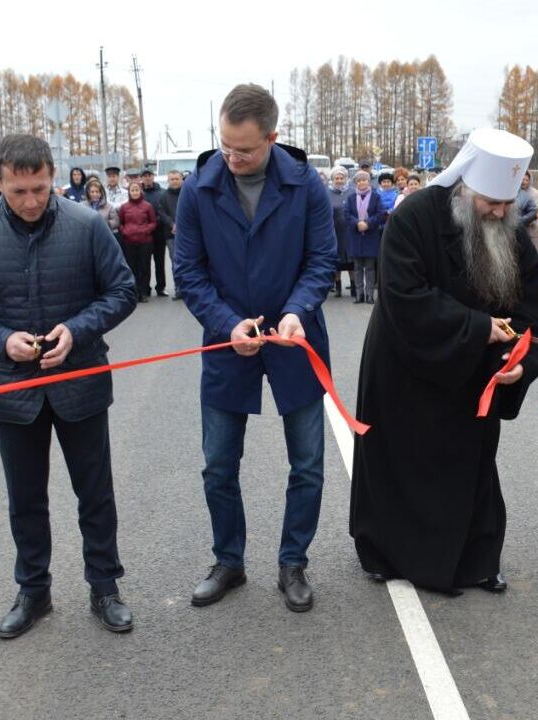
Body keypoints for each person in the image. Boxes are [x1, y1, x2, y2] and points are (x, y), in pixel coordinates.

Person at [0, 133, 137, 638]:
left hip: (81, 381)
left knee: (95, 492)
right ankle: (34, 590)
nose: (30, 202)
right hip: (11, 390)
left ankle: (104, 586)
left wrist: (78, 329)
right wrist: (2, 341)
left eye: (41, 189)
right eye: (18, 191)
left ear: (54, 177)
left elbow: (122, 291)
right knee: (24, 497)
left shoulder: (87, 225)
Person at [351, 127, 538, 594]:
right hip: (404, 367)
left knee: (472, 470)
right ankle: (386, 554)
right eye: (491, 202)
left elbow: (528, 315)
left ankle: (477, 559)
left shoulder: (512, 235)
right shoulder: (414, 218)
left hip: (473, 377)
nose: (500, 212)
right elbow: (405, 296)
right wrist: (479, 328)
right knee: (397, 465)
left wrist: (517, 361)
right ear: (464, 186)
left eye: (507, 204)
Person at [173, 83, 337, 613]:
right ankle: (228, 560)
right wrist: (226, 325)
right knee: (218, 463)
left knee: (307, 462)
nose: (233, 157)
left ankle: (293, 562)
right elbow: (189, 272)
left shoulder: (304, 184)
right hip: (228, 343)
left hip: (294, 339)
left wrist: (296, 311)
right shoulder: (199, 188)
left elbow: (321, 260)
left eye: (244, 149)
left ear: (272, 137)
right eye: (224, 145)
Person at [343, 169, 384, 304]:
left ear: (368, 181)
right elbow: (347, 214)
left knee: (370, 268)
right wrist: (357, 223)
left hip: (371, 236)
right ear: (355, 183)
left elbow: (380, 213)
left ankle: (370, 294)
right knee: (358, 268)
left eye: (364, 179)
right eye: (359, 180)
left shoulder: (376, 197)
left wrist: (367, 223)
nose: (362, 182)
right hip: (355, 236)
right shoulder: (350, 197)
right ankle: (359, 294)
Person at [117, 180, 157, 303]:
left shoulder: (147, 206)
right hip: (129, 242)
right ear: (129, 192)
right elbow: (120, 223)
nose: (135, 192)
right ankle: (134, 292)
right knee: (132, 268)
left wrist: (145, 230)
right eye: (132, 190)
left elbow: (153, 222)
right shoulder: (124, 207)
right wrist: (125, 231)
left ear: (141, 191)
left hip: (145, 242)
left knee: (145, 268)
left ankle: (144, 292)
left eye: (137, 190)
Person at [139, 170, 170, 297]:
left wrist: (154, 222)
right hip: (144, 234)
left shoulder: (162, 192)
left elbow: (163, 211)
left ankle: (161, 287)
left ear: (153, 177)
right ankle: (145, 288)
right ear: (141, 178)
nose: (147, 178)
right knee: (144, 263)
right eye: (144, 176)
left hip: (158, 232)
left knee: (159, 262)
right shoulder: (138, 192)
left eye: (149, 176)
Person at [155, 170, 184, 300]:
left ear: (182, 179)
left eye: (177, 178)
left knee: (191, 261)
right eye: (172, 179)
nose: (174, 181)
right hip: (171, 234)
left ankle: (191, 288)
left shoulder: (187, 193)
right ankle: (179, 289)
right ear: (168, 181)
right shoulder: (163, 196)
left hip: (189, 234)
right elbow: (161, 213)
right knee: (175, 262)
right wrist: (172, 224)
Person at [326, 166, 354, 298]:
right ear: (332, 180)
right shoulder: (327, 193)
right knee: (337, 261)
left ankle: (354, 286)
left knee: (351, 261)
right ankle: (338, 287)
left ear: (345, 179)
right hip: (334, 232)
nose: (339, 180)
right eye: (336, 178)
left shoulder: (352, 192)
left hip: (350, 231)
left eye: (341, 178)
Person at [516, 171, 538, 252]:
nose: (524, 182)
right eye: (522, 180)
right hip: (518, 227)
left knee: (533, 250)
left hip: (531, 225)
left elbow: (536, 209)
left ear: (530, 181)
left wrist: (525, 220)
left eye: (526, 180)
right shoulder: (516, 191)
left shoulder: (534, 192)